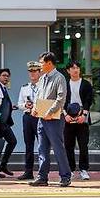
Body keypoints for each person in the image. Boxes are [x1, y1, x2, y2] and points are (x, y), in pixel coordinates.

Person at [29, 51, 72, 187]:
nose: (40, 65)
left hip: (54, 118)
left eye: (41, 62)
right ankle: (42, 177)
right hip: (42, 118)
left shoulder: (60, 78)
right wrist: (35, 107)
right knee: (42, 148)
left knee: (58, 148)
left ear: (49, 63)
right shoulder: (42, 78)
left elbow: (61, 98)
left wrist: (50, 111)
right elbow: (38, 97)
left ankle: (65, 176)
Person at [63, 60, 94, 181]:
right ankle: (70, 170)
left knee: (83, 145)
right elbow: (62, 101)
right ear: (68, 71)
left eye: (77, 68)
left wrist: (84, 115)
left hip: (82, 118)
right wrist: (65, 114)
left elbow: (88, 100)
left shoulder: (86, 84)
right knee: (68, 146)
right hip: (68, 118)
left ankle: (84, 169)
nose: (76, 70)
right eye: (73, 68)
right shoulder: (65, 84)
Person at [15, 61, 42, 180]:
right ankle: (28, 171)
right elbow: (19, 104)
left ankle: (42, 172)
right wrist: (26, 105)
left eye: (35, 71)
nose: (32, 74)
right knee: (28, 145)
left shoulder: (43, 86)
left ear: (39, 72)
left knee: (42, 145)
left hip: (40, 116)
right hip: (27, 117)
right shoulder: (24, 87)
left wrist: (36, 106)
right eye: (30, 71)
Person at [0, 68, 18, 178]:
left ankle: (3, 165)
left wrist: (10, 107)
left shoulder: (3, 88)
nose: (6, 78)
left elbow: (4, 104)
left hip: (5, 123)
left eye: (7, 76)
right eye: (4, 75)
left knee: (12, 141)